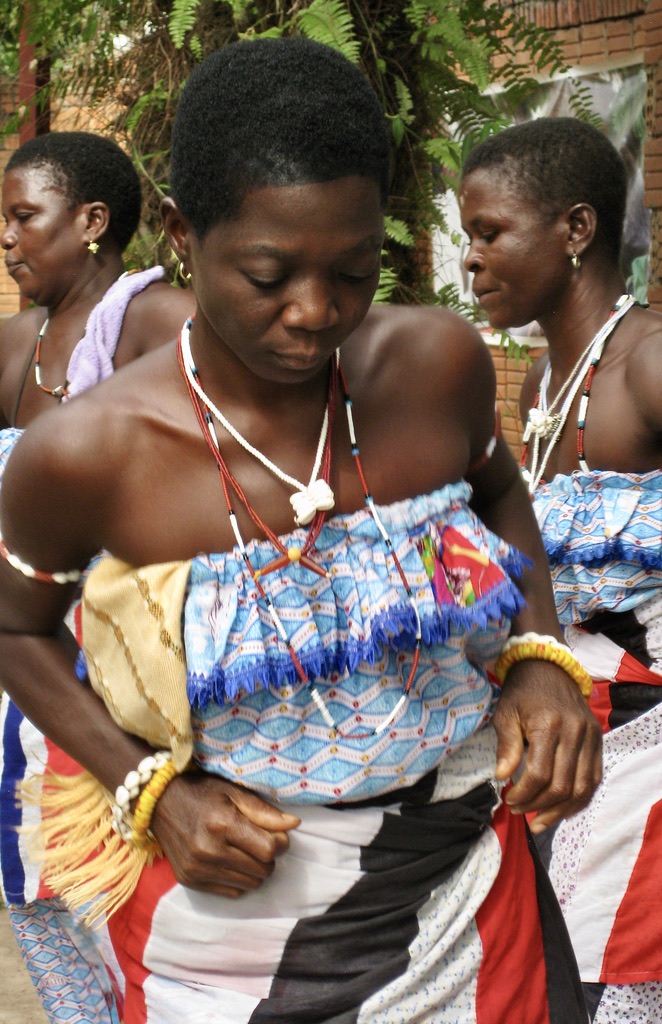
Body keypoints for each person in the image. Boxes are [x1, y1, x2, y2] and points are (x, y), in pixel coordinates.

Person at [0, 41, 602, 1023]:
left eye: (354, 271)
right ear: (184, 235)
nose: (316, 313)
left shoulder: (433, 367)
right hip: (222, 942)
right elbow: (16, 629)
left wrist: (540, 659)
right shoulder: (89, 453)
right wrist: (154, 790)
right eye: (269, 274)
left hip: (466, 902)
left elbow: (496, 495)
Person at [458, 115, 662, 1023]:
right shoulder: (543, 385)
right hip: (607, 737)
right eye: (467, 235)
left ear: (577, 229)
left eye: (490, 232)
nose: (470, 259)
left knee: (645, 978)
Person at [0, 130, 194, 1023]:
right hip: (22, 662)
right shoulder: (15, 343)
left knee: (130, 891)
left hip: (121, 673)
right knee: (34, 887)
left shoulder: (159, 324)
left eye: (23, 216)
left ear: (90, 221)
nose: (8, 238)